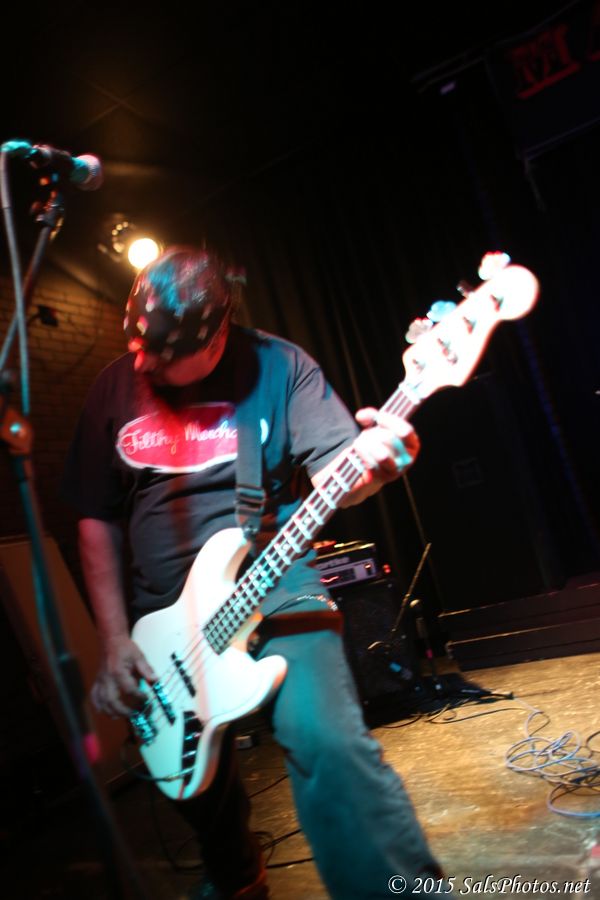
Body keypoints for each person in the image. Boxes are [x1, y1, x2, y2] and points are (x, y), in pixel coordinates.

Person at [62, 246, 445, 900]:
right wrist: (115, 640)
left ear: (215, 339)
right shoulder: (113, 387)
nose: (141, 362)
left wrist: (376, 466)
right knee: (189, 783)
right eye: (136, 343)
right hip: (161, 616)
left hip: (276, 584)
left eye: (161, 354)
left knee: (329, 745)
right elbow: (95, 517)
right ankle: (238, 877)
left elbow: (338, 473)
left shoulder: (280, 366)